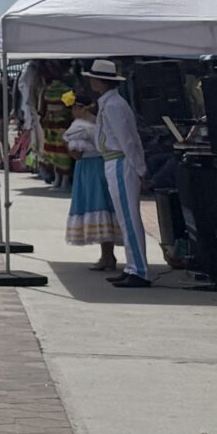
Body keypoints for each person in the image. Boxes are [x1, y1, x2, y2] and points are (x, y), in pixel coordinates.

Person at [84, 61, 152, 288]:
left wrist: (139, 168)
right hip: (114, 161)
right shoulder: (110, 103)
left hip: (121, 162)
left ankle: (139, 269)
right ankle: (133, 266)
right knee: (125, 218)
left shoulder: (113, 105)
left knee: (129, 218)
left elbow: (128, 140)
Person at [62, 91, 119, 269]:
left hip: (88, 168)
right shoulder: (99, 123)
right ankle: (108, 254)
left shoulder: (78, 127)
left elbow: (76, 154)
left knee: (96, 205)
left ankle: (107, 256)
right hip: (103, 164)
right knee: (106, 207)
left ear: (78, 108)